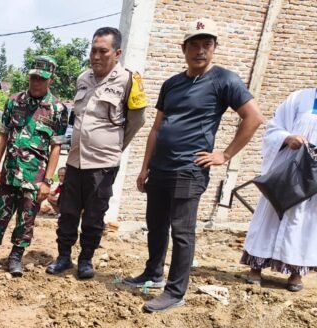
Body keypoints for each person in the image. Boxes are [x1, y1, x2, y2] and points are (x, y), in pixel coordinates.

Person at [124, 19, 264, 312]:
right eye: (195, 45)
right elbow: (156, 128)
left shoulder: (225, 80)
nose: (201, 50)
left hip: (189, 170)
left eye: (207, 44)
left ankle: (176, 292)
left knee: (182, 231)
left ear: (214, 48)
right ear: (184, 49)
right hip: (160, 168)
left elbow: (253, 118)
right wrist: (145, 166)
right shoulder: (172, 84)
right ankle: (153, 273)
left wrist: (224, 155)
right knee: (156, 226)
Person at [46, 27, 147, 280]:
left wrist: (114, 148)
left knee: (94, 215)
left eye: (103, 51)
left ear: (117, 53)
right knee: (67, 212)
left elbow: (137, 121)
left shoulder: (129, 80)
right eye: (93, 50)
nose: (96, 56)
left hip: (103, 164)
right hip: (76, 160)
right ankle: (63, 257)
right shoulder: (83, 78)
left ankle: (86, 260)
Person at [0, 56, 68, 278]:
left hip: (35, 177)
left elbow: (55, 148)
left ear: (50, 79)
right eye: (33, 77)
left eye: (41, 79)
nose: (36, 82)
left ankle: (15, 257)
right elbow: (2, 134)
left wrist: (48, 181)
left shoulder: (58, 109)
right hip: (9, 172)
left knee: (26, 220)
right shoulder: (14, 101)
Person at [241, 88, 317, 291]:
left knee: (306, 222)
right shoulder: (300, 98)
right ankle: (255, 268)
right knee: (270, 215)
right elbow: (273, 128)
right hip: (287, 171)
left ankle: (295, 274)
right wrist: (287, 138)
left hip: (314, 178)